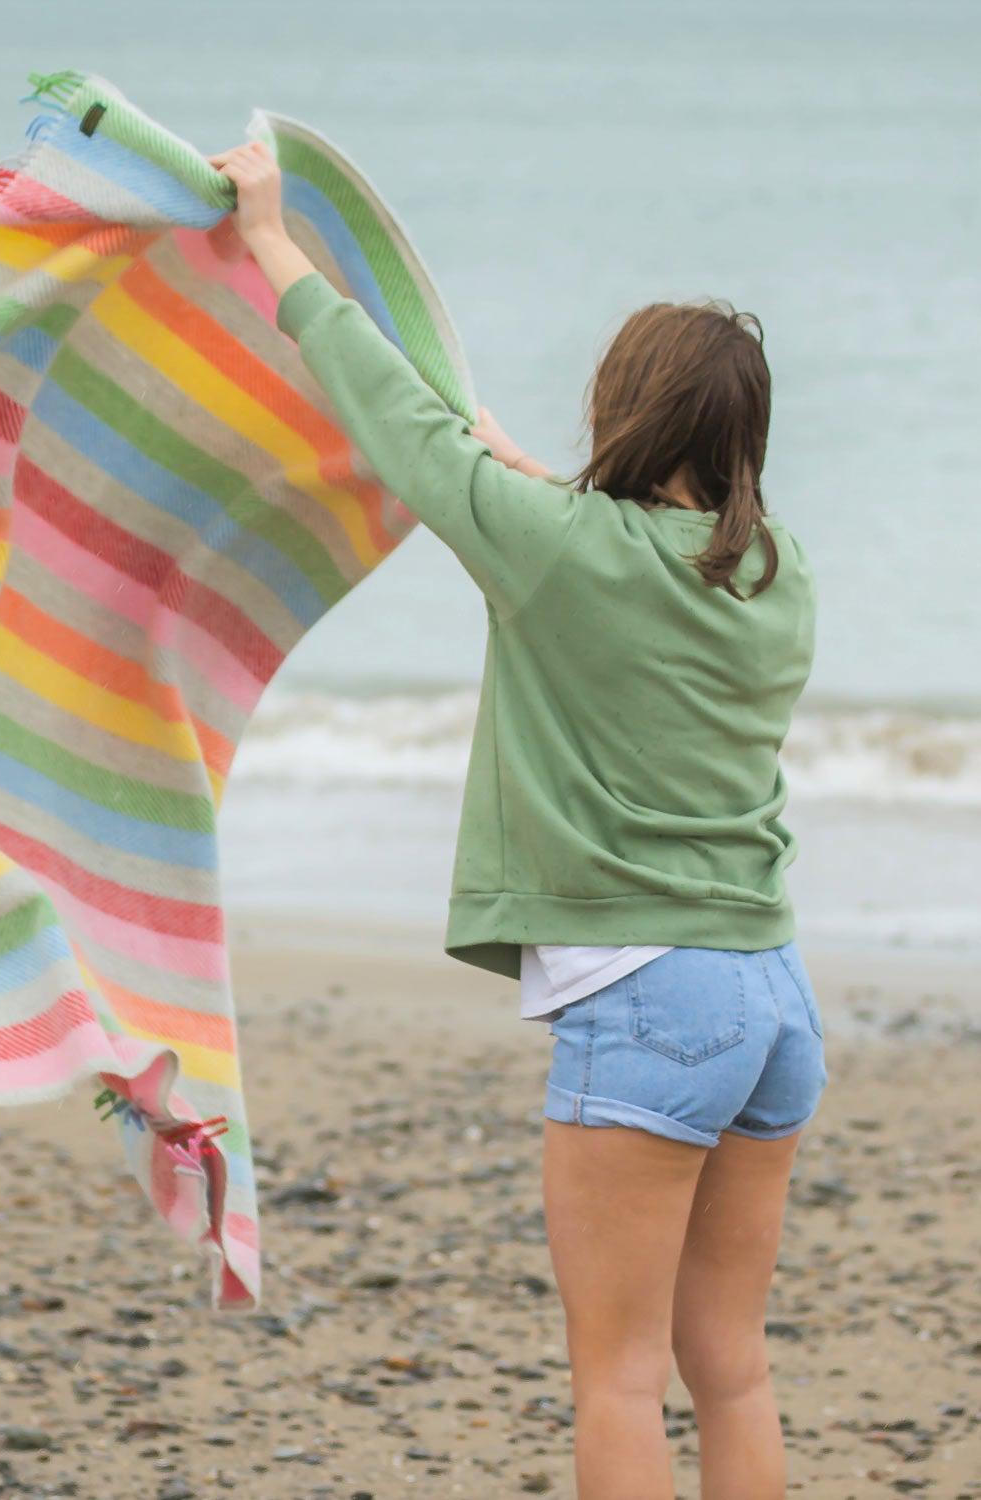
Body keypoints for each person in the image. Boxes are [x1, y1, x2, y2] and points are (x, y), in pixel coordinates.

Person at [208, 141, 825, 1500]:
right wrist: (516, 461)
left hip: (650, 998)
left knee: (614, 1378)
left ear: (632, 415)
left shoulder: (561, 554)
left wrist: (268, 238)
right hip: (773, 997)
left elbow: (392, 421)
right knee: (732, 1364)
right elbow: (569, 514)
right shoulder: (777, 579)